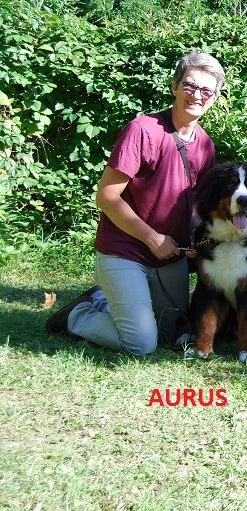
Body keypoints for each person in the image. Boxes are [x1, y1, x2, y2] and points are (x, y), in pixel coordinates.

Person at [46, 51, 225, 355]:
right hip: (125, 250)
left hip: (169, 255)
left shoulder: (206, 144)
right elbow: (106, 196)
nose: (197, 95)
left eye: (206, 90)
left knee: (170, 334)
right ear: (174, 87)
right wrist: (152, 237)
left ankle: (108, 300)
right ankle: (80, 314)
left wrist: (200, 241)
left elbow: (196, 205)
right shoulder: (142, 130)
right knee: (141, 344)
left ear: (215, 97)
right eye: (190, 86)